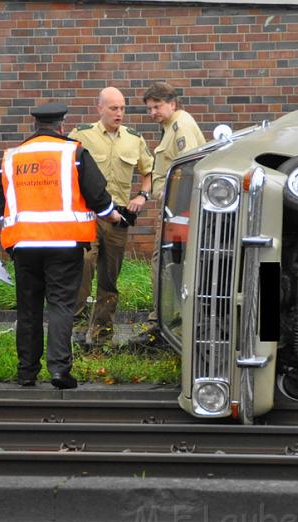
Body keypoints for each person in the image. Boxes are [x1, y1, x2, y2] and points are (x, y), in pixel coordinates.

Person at [0, 102, 124, 389]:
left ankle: (26, 372)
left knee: (28, 308)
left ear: (35, 126)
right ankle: (59, 370)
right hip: (64, 244)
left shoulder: (11, 157)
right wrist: (114, 216)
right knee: (60, 305)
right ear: (61, 126)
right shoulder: (75, 152)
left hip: (23, 245)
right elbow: (98, 196)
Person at [68, 87, 154, 349]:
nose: (119, 113)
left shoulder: (133, 139)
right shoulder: (81, 135)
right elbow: (65, 168)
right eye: (113, 108)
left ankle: (102, 337)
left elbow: (148, 172)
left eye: (122, 108)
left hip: (118, 218)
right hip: (88, 215)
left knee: (109, 278)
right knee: (84, 267)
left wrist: (142, 196)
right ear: (100, 109)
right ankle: (77, 333)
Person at [129, 82, 206, 348]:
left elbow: (188, 169)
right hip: (177, 208)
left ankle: (163, 325)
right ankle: (169, 322)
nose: (153, 112)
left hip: (180, 209)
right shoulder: (172, 126)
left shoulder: (180, 126)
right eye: (149, 108)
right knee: (170, 264)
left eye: (157, 106)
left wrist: (176, 213)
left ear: (172, 104)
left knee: (166, 263)